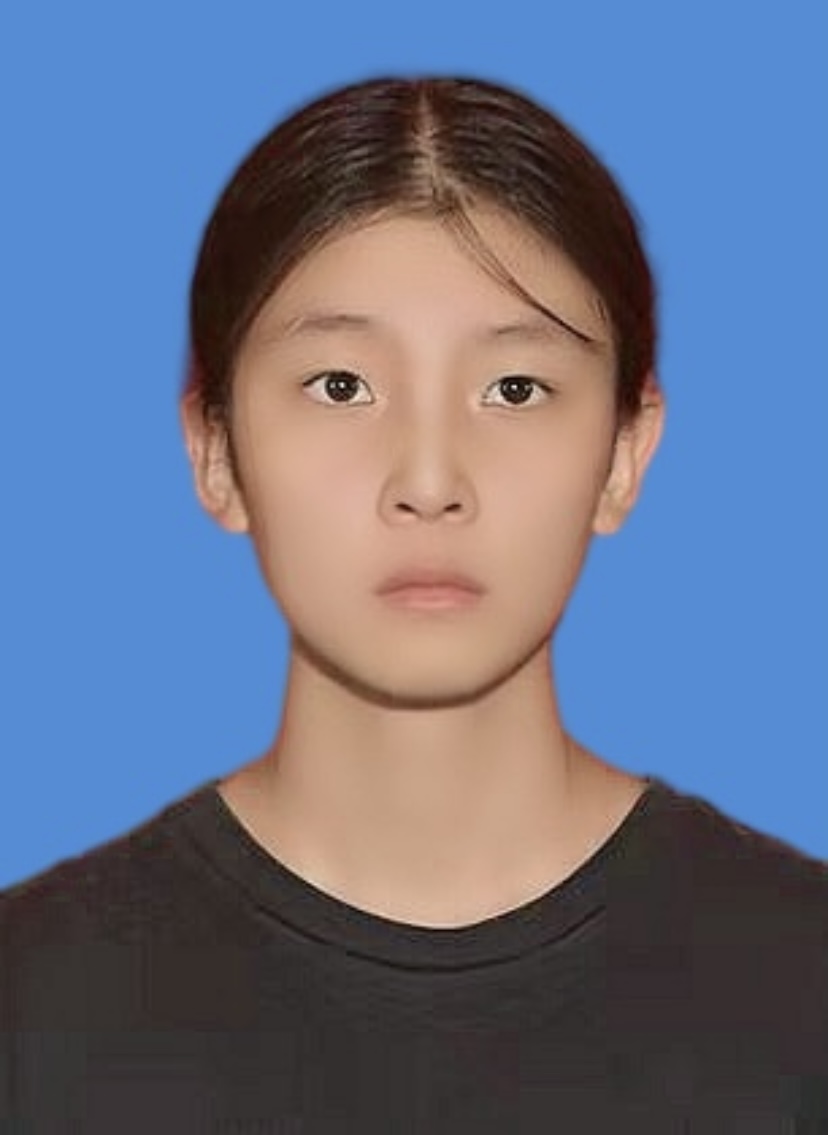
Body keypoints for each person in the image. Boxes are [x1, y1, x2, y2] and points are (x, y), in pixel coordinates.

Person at [1, 75, 825, 1131]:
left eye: (514, 389)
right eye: (341, 386)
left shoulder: (802, 986)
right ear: (214, 451)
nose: (430, 480)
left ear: (626, 452)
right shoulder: (31, 1008)